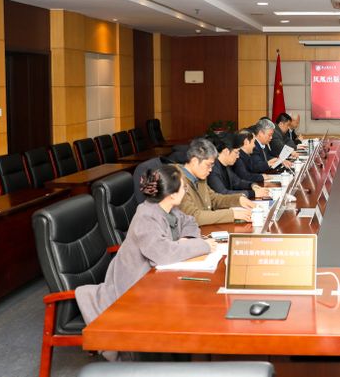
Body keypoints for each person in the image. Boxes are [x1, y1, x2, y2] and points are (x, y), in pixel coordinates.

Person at [75, 165, 215, 357]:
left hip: (155, 279)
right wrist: (203, 245)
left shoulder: (168, 209)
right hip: (133, 288)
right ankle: (178, 354)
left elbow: (189, 221)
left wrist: (187, 239)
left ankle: (180, 354)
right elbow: (163, 253)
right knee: (193, 304)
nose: (185, 190)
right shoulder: (146, 216)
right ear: (172, 195)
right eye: (183, 187)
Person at [177, 137, 255, 225]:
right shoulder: (176, 181)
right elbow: (194, 216)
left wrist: (238, 200)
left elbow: (214, 199)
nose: (210, 170)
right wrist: (232, 214)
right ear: (194, 161)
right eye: (208, 165)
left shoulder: (199, 178)